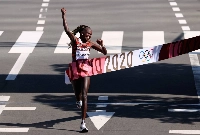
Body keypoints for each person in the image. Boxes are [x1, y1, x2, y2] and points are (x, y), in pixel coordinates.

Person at [61, 7, 107, 132]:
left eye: (90, 35)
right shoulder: (75, 41)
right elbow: (67, 30)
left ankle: (83, 123)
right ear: (82, 34)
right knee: (78, 94)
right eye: (88, 34)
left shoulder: (90, 44)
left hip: (86, 69)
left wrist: (102, 45)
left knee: (85, 95)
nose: (89, 36)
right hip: (76, 69)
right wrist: (63, 15)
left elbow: (104, 52)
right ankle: (77, 100)